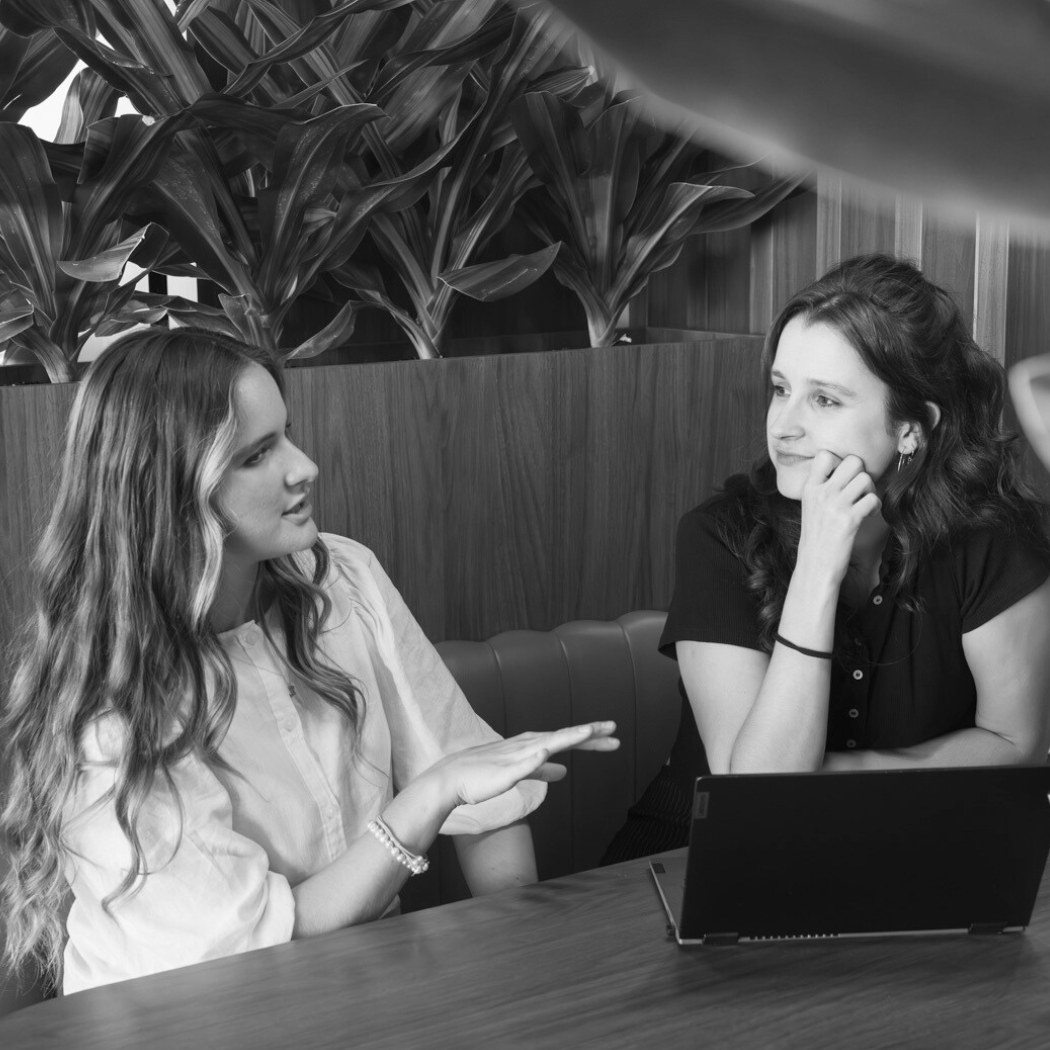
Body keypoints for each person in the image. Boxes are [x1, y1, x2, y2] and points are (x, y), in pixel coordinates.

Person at [0, 327, 619, 994]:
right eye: (257, 454)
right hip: (188, 1017)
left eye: (286, 434)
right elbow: (252, 951)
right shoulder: (113, 711)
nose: (304, 467)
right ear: (169, 493)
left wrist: (519, 954)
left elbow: (479, 786)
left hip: (358, 992)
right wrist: (429, 798)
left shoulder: (342, 577)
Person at [603, 252, 1050, 863]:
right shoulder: (719, 535)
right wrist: (816, 567)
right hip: (697, 860)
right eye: (781, 389)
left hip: (908, 858)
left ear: (911, 428)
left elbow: (1016, 748)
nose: (783, 426)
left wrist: (818, 776)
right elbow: (756, 799)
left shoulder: (995, 539)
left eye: (826, 400)